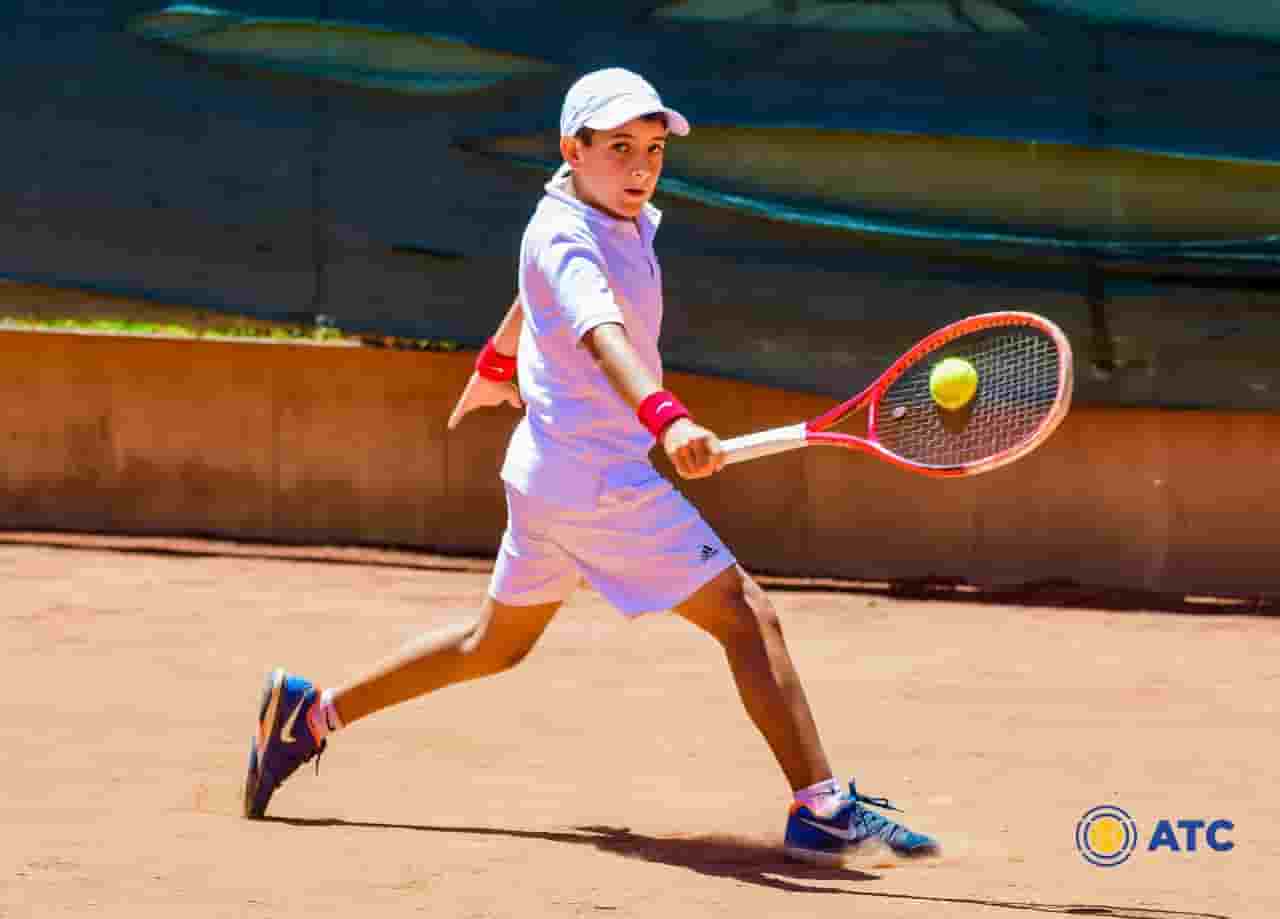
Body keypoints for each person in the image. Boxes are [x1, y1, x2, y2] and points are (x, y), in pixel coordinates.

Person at [243, 67, 939, 865]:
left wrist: (498, 361)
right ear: (571, 149)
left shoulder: (589, 212)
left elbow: (531, 296)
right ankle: (821, 807)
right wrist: (666, 417)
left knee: (490, 646)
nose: (640, 167)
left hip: (547, 477)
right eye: (618, 149)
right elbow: (598, 328)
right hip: (599, 481)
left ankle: (309, 715)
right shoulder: (573, 234)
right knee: (748, 616)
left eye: (652, 150)